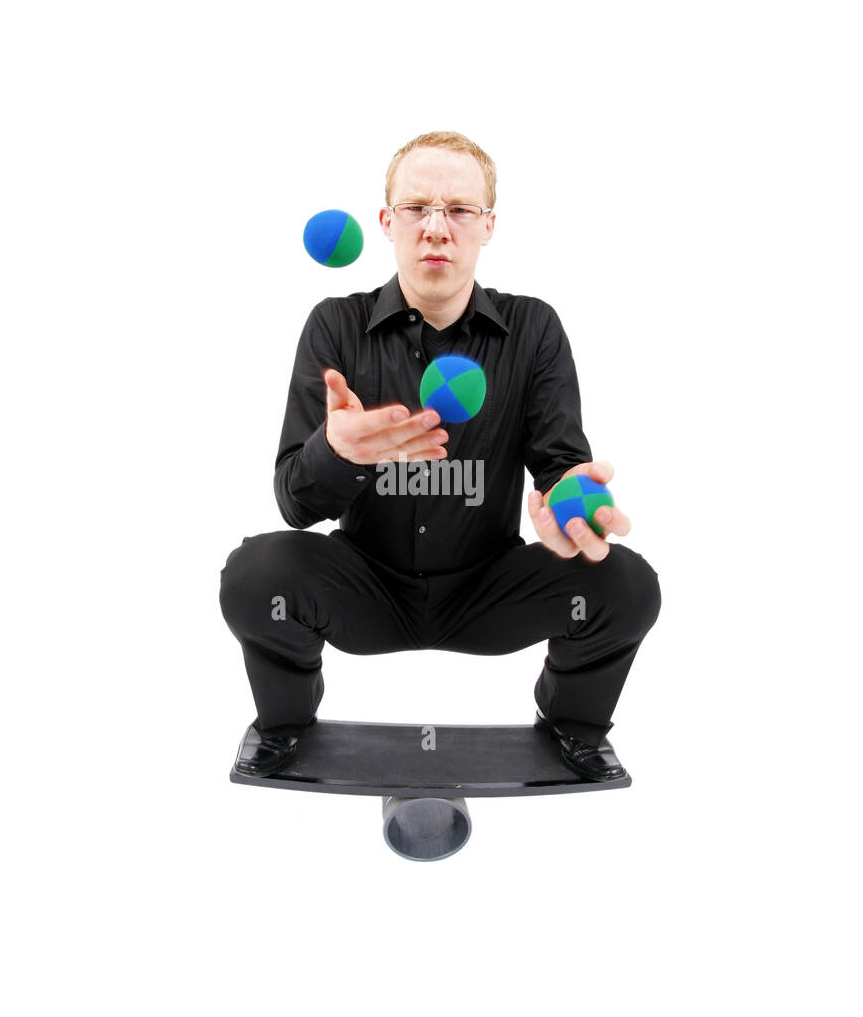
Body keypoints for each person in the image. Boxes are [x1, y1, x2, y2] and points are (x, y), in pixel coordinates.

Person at [219, 130, 661, 780]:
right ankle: (283, 727)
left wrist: (571, 510)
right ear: (386, 222)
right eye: (416, 208)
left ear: (487, 228)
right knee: (255, 573)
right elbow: (295, 504)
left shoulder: (534, 327)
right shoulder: (335, 326)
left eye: (458, 210)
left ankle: (575, 725)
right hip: (365, 587)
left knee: (627, 584)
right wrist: (337, 450)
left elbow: (560, 460)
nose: (436, 228)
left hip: (489, 588)